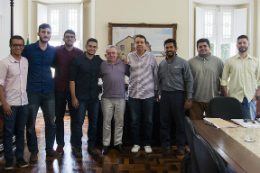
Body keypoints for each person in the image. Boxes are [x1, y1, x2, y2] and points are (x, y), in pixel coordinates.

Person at [22, 23, 60, 161]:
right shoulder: (28, 49)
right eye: (43, 32)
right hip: (32, 90)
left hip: (49, 90)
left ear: (50, 34)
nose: (46, 34)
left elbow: (56, 65)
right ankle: (33, 151)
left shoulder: (53, 50)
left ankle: (49, 149)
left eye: (48, 32)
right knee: (30, 123)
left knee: (51, 123)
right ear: (38, 33)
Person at [157, 39, 193, 155]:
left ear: (176, 49)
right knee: (164, 122)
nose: (169, 49)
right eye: (167, 48)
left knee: (179, 122)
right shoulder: (162, 64)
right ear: (165, 50)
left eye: (171, 47)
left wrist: (189, 98)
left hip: (178, 95)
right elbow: (159, 80)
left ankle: (181, 146)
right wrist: (158, 93)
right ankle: (165, 145)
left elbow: (189, 80)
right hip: (165, 96)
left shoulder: (183, 63)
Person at [70, 38, 103, 157]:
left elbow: (110, 64)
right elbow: (72, 80)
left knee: (93, 123)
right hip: (80, 97)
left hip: (94, 97)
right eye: (90, 46)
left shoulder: (99, 61)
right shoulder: (77, 60)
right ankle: (77, 146)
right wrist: (73, 97)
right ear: (85, 46)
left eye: (94, 47)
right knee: (78, 123)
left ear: (97, 48)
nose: (92, 48)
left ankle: (91, 146)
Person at [126, 35, 158, 154]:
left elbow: (156, 75)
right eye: (137, 42)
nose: (139, 44)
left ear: (145, 44)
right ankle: (136, 143)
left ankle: (147, 143)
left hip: (148, 95)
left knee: (148, 121)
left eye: (142, 42)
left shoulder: (151, 57)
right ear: (134, 44)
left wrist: (156, 91)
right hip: (133, 94)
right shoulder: (130, 56)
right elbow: (127, 72)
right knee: (134, 121)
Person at [0, 35, 29, 170]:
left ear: (23, 46)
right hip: (10, 104)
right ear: (10, 46)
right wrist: (4, 104)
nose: (18, 47)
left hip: (23, 103)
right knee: (8, 132)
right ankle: (9, 159)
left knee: (20, 131)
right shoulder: (4, 62)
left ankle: (20, 157)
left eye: (20, 45)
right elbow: (0, 85)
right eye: (15, 45)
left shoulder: (25, 61)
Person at [53, 30, 83, 154]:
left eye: (72, 37)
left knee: (75, 118)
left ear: (75, 39)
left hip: (74, 92)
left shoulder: (80, 53)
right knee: (58, 118)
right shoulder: (56, 51)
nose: (69, 39)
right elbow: (52, 65)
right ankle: (60, 144)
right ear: (63, 39)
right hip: (58, 88)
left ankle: (74, 142)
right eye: (67, 37)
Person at [221, 35, 260, 120]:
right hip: (234, 99)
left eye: (244, 43)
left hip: (250, 99)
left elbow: (259, 80)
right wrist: (227, 95)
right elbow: (224, 80)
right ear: (236, 45)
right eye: (239, 43)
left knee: (249, 128)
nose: (242, 45)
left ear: (248, 44)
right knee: (232, 125)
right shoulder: (229, 61)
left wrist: (257, 96)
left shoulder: (256, 61)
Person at [100, 45, 129, 155]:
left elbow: (132, 74)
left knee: (119, 123)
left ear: (117, 54)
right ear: (105, 55)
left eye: (113, 53)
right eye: (109, 53)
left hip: (121, 98)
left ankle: (118, 143)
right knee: (106, 123)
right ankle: (106, 144)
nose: (111, 55)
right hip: (106, 98)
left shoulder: (123, 64)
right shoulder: (102, 65)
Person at [188, 38, 224, 120]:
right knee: (195, 126)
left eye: (205, 46)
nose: (203, 48)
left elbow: (224, 79)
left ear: (209, 47)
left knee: (213, 126)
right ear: (197, 49)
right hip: (195, 100)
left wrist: (222, 94)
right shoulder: (190, 62)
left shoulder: (218, 62)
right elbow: (187, 81)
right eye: (200, 47)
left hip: (213, 100)